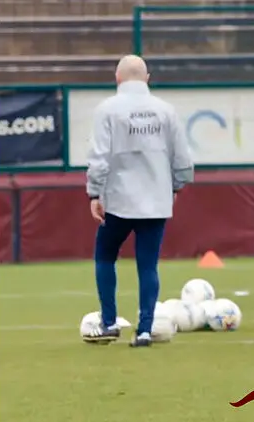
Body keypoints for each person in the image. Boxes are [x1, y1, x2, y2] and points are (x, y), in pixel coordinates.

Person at [82, 55, 194, 348]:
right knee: (148, 264)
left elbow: (99, 159)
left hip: (118, 200)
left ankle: (109, 322)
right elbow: (182, 158)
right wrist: (176, 186)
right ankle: (144, 330)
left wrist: (95, 193)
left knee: (105, 256)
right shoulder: (165, 111)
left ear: (117, 79)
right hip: (155, 200)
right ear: (147, 78)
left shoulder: (107, 110)